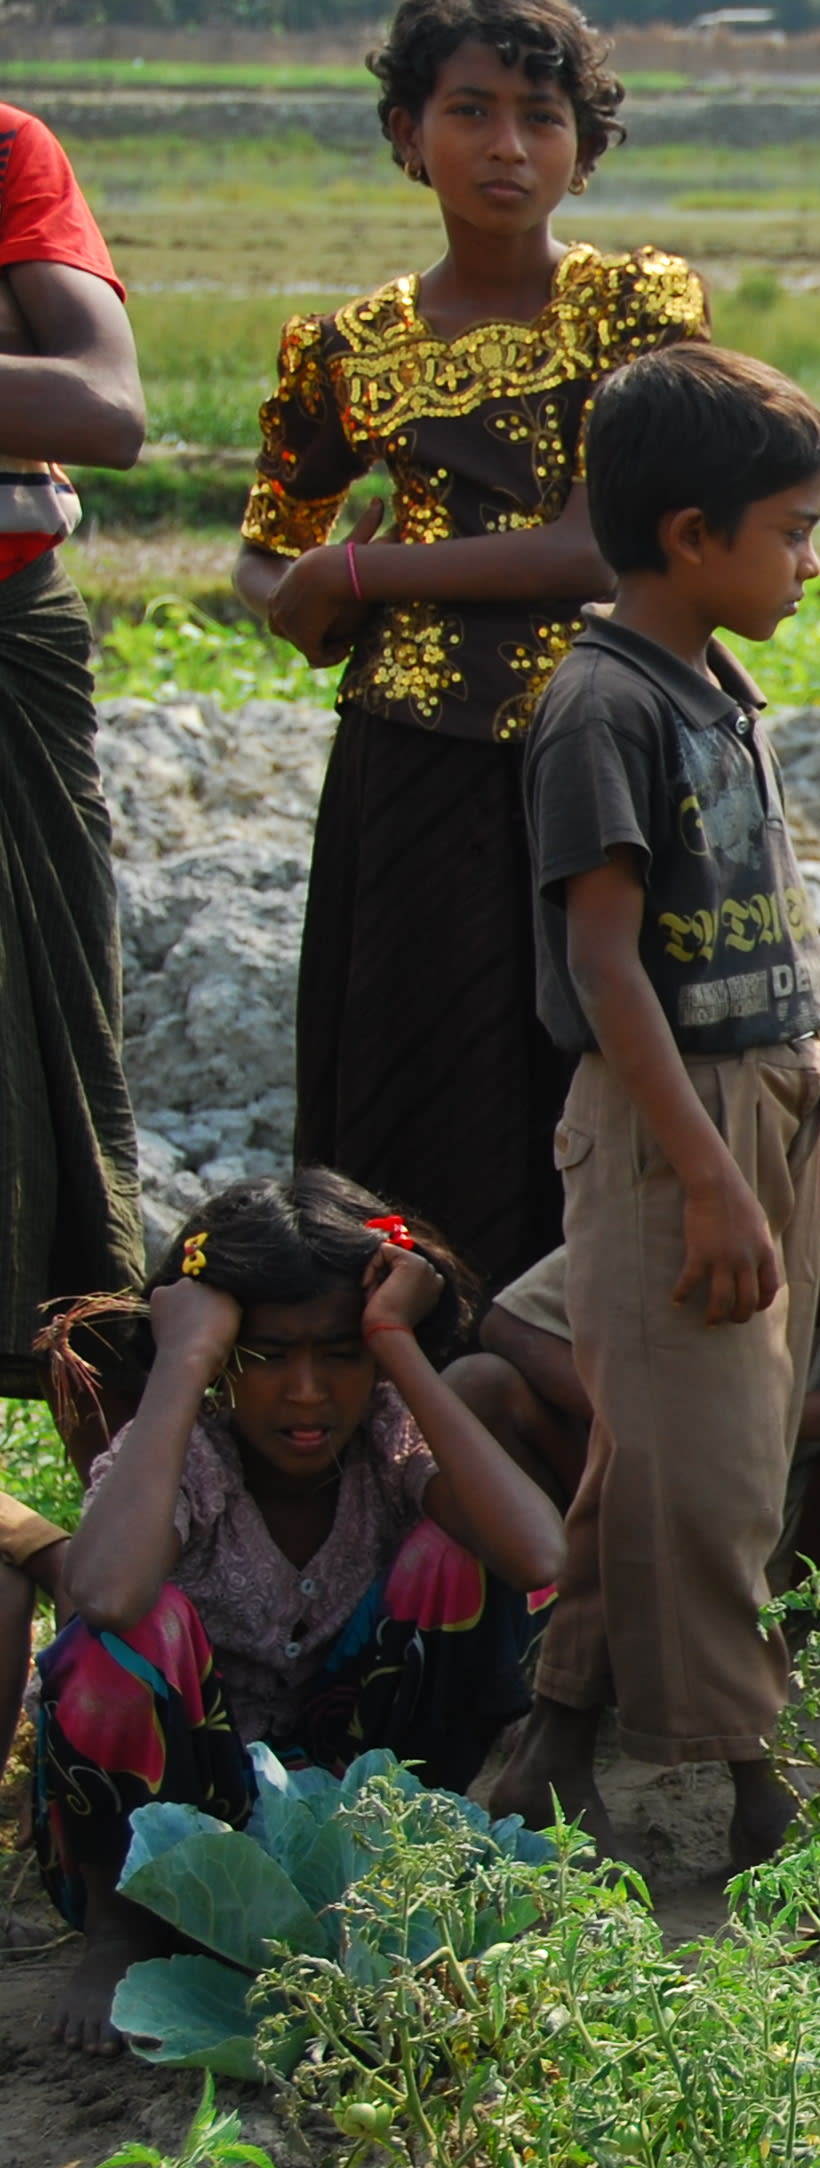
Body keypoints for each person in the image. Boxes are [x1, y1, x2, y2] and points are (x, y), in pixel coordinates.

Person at [234, 0, 706, 1289]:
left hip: (602, 745)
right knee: (416, 1074)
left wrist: (358, 572)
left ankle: (586, 1369)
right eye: (469, 112)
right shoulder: (343, 349)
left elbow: (591, 549)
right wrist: (305, 592)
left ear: (582, 149)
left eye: (541, 118)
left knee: (600, 1057)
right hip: (410, 764)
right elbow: (266, 554)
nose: (508, 146)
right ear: (407, 132)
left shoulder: (631, 307)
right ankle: (417, 1356)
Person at [465, 342, 820, 1869]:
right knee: (713, 1470)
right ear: (692, 536)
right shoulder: (599, 709)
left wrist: (803, 1149)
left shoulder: (711, 686)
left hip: (758, 1098)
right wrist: (712, 1177)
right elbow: (604, 965)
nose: (811, 563)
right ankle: (754, 1783)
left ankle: (553, 1737)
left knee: (665, 1444)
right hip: (668, 1116)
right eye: (793, 532)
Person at [29, 1173, 566, 2054]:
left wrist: (396, 1347)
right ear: (221, 1357)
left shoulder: (389, 1441)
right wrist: (182, 1364)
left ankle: (403, 1870)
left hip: (358, 1809)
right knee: (124, 1635)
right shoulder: (188, 1454)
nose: (308, 1391)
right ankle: (123, 1933)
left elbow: (537, 1555)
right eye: (268, 1356)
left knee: (461, 1556)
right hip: (175, 1824)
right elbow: (105, 1595)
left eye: (341, 1354)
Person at [455, 986, 820, 1579]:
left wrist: (766, 1424)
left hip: (807, 1509)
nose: (796, 1152)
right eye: (773, 1119)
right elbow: (510, 1324)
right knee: (478, 1384)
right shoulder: (677, 1208)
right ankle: (560, 1587)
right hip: (647, 1492)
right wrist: (644, 1420)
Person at [0, 95, 145, 1391]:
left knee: (36, 1039)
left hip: (7, 625)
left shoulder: (7, 149)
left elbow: (103, 407)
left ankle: (115, 1490)